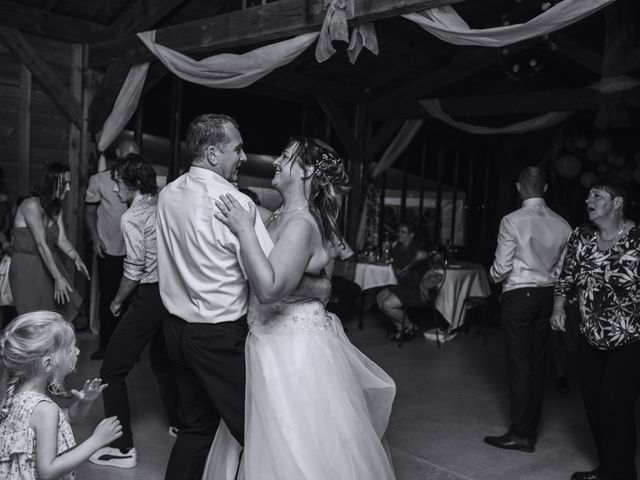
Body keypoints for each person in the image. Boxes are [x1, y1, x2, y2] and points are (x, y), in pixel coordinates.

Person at [205, 136, 396, 480]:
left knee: (295, 445)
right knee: (268, 439)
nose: (276, 161)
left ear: (307, 171)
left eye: (285, 156)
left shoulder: (301, 224)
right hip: (267, 341)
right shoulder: (281, 214)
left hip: (291, 351)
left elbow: (270, 289)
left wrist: (245, 229)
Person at [156, 114, 273, 480]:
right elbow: (270, 277)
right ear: (211, 153)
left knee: (196, 427)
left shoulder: (168, 194)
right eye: (237, 148)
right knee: (260, 432)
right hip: (219, 338)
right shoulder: (234, 204)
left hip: (175, 332)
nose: (243, 156)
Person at [88, 154, 178, 469]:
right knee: (165, 362)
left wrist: (116, 301)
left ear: (133, 183)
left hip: (150, 295)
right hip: (173, 296)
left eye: (118, 182)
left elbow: (135, 267)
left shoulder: (133, 216)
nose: (114, 188)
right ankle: (180, 422)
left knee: (112, 371)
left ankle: (123, 448)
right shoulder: (165, 207)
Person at [551, 176, 640, 480]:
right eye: (588, 196)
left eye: (597, 196)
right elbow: (567, 275)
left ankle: (623, 475)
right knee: (592, 404)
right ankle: (607, 469)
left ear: (617, 203)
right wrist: (559, 307)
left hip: (630, 337)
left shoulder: (638, 238)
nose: (589, 201)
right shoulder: (581, 236)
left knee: (615, 406)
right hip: (591, 335)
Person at [484, 166, 571, 453]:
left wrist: (494, 277)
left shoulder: (512, 220)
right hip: (547, 296)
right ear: (545, 188)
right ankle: (529, 428)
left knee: (520, 365)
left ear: (519, 188)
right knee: (537, 363)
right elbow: (563, 269)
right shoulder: (563, 224)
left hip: (520, 295)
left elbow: (502, 266)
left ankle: (521, 434)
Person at [0, 310, 122, 479]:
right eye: (70, 348)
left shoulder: (17, 396)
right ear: (48, 364)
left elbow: (66, 419)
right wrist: (96, 441)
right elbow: (47, 472)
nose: (77, 352)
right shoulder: (44, 409)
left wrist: (84, 403)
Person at [9, 163, 89, 319]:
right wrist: (58, 277)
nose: (68, 189)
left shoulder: (56, 207)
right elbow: (41, 244)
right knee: (32, 319)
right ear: (51, 182)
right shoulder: (31, 205)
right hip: (27, 268)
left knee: (55, 317)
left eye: (69, 184)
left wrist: (75, 257)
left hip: (49, 265)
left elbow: (61, 238)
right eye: (64, 184)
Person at [85, 137, 139, 360]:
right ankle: (106, 345)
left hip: (133, 251)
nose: (130, 160)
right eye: (127, 154)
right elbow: (88, 213)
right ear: (118, 153)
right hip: (108, 248)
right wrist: (94, 238)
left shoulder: (138, 181)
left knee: (130, 300)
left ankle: (127, 349)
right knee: (108, 298)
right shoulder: (99, 180)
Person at [376, 223, 429, 341]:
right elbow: (393, 263)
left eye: (403, 232)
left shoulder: (416, 247)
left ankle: (410, 326)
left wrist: (409, 266)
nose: (399, 234)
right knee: (379, 299)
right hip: (402, 284)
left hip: (415, 287)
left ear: (411, 235)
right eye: (399, 231)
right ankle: (402, 330)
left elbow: (424, 255)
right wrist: (396, 269)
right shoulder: (398, 247)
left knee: (387, 305)